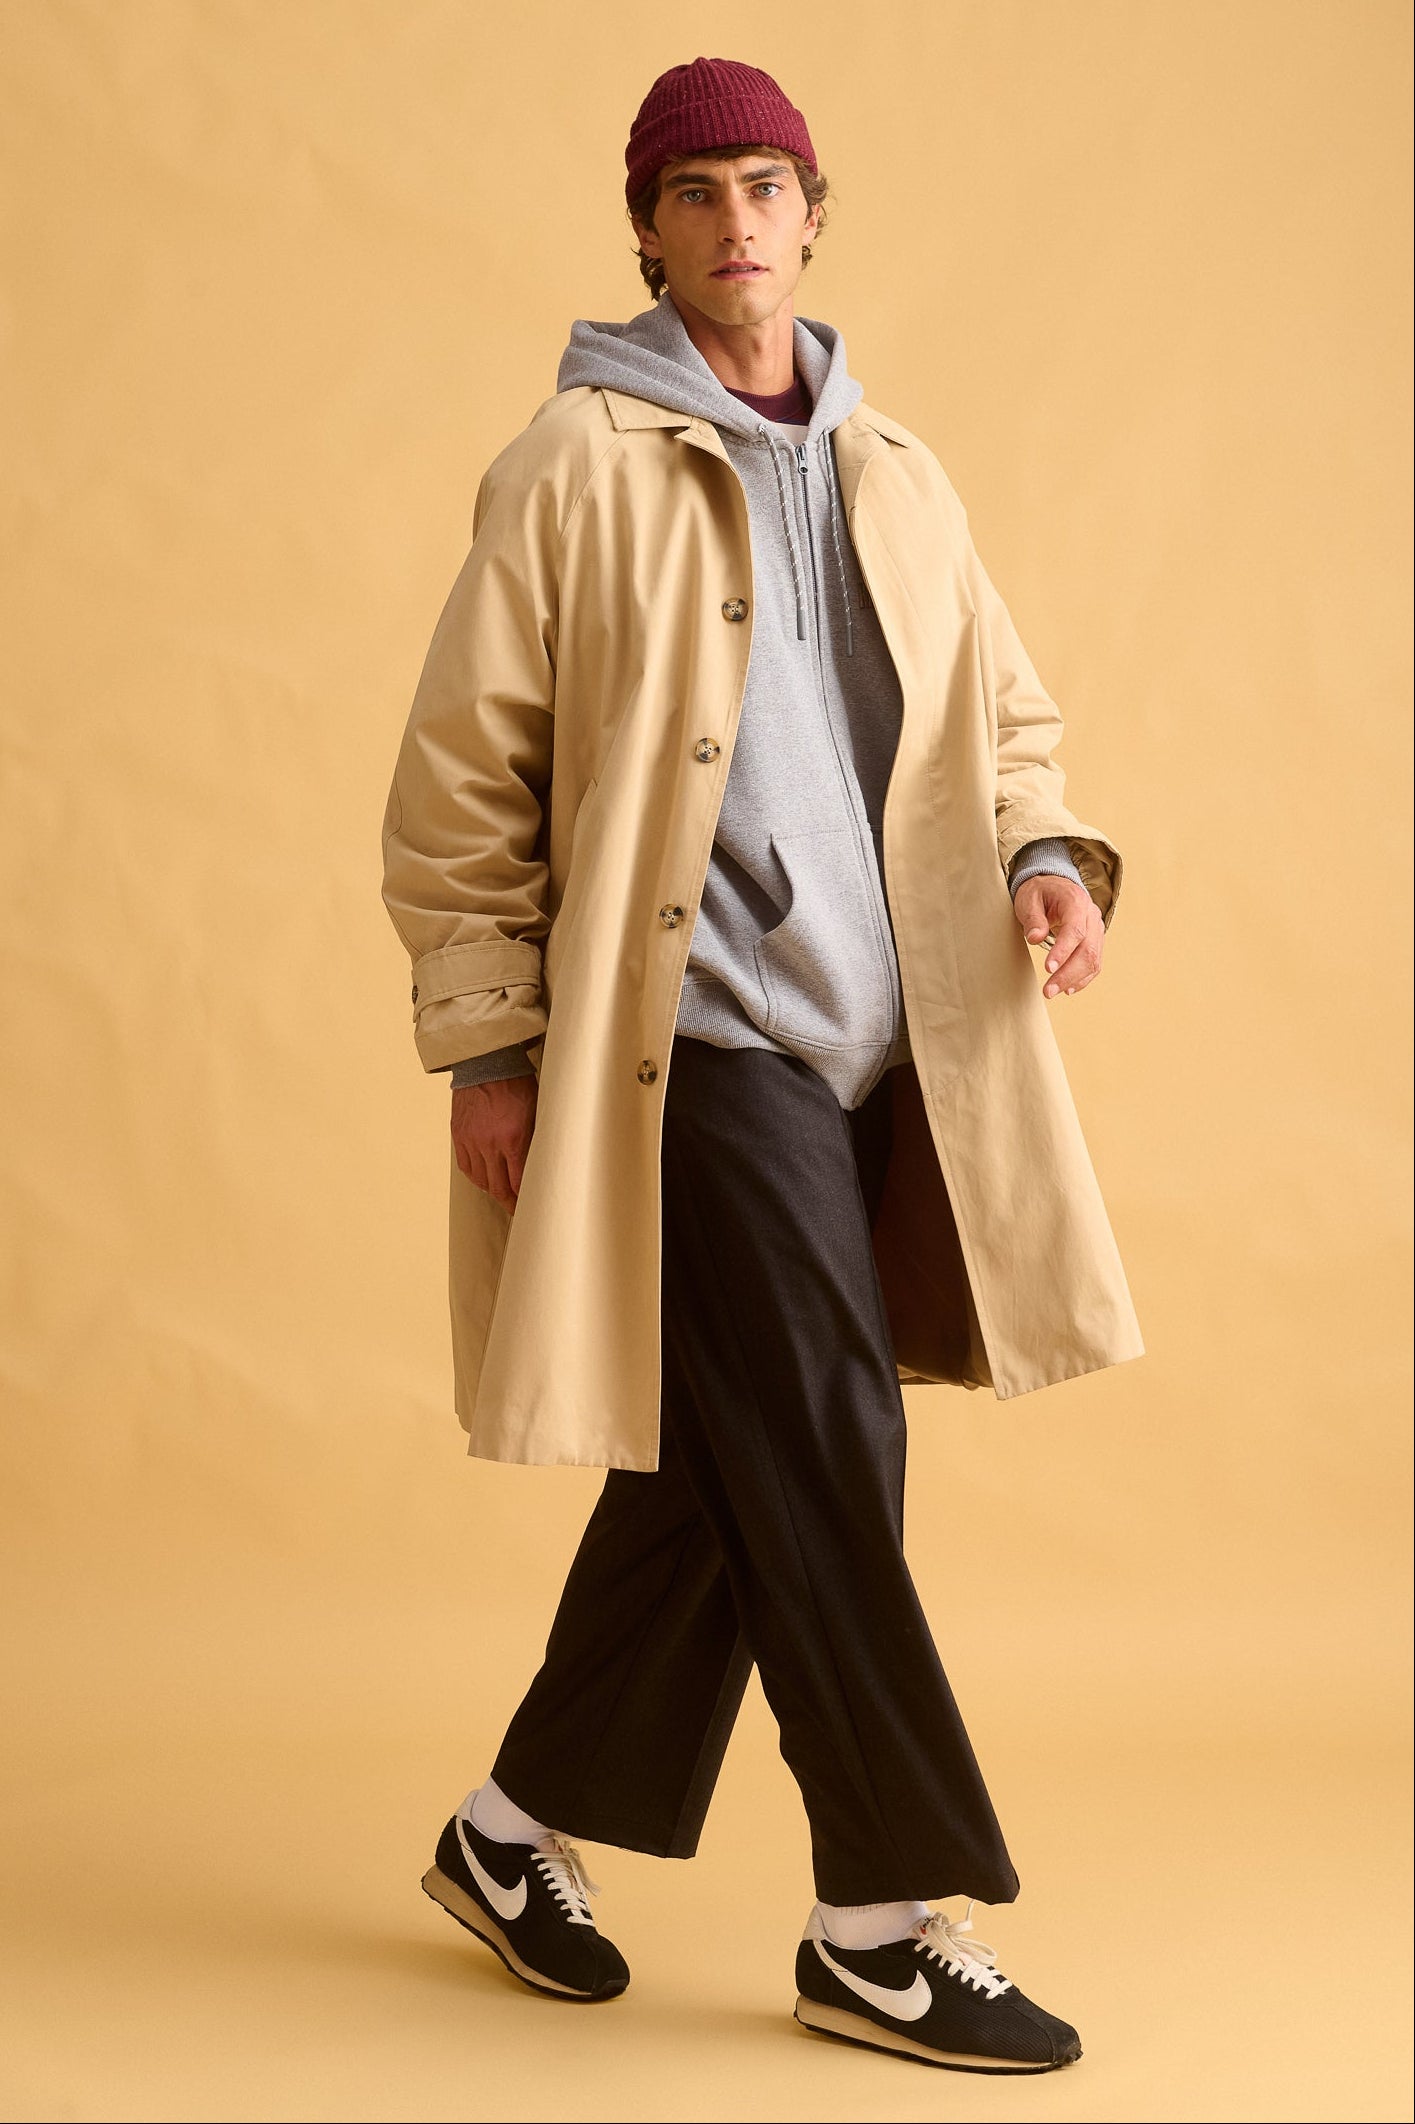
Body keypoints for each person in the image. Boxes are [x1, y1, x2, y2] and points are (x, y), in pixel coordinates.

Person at [380, 54, 1144, 2075]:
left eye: (770, 186)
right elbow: (462, 780)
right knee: (822, 1426)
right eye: (698, 190)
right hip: (696, 1035)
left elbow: (1007, 722)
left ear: (814, 216)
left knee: (733, 1457)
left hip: (885, 1041)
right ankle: (880, 1918)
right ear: (648, 229)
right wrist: (489, 1041)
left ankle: (511, 1829)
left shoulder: (901, 473)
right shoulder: (572, 465)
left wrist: (1048, 858)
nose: (738, 222)